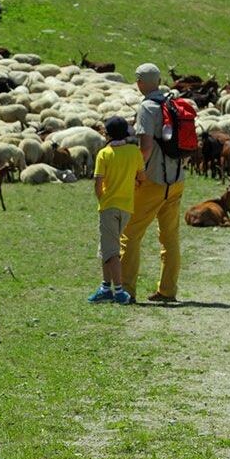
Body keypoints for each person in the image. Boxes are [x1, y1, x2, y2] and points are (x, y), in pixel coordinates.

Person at [119, 63, 185, 303]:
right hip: (176, 179)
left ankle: (126, 290)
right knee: (169, 237)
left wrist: (137, 172)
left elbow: (145, 147)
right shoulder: (173, 102)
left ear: (140, 81)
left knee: (130, 233)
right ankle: (167, 290)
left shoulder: (147, 107)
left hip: (154, 180)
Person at [88, 117, 142, 305]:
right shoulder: (135, 151)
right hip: (127, 206)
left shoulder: (104, 154)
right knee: (106, 247)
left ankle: (119, 291)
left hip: (109, 206)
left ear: (107, 134)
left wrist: (102, 198)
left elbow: (98, 182)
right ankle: (105, 287)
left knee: (111, 251)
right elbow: (141, 177)